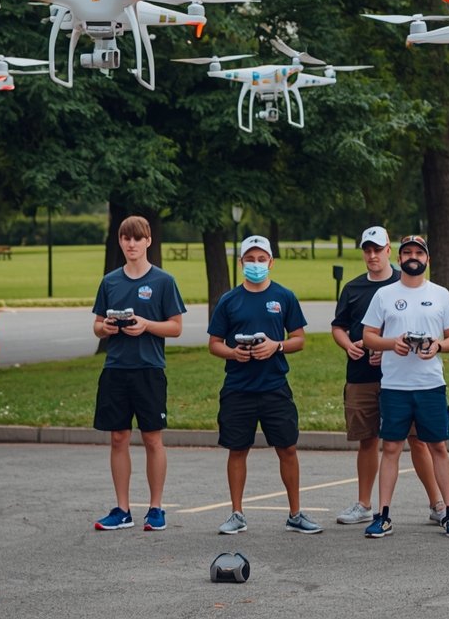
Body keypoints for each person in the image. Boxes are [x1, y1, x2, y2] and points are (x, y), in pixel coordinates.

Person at [207, 235, 322, 535]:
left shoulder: (284, 296)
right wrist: (233, 352)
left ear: (271, 262)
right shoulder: (229, 300)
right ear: (241, 262)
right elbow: (214, 343)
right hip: (238, 387)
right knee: (237, 450)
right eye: (250, 259)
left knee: (288, 449)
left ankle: (295, 514)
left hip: (274, 386)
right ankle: (236, 514)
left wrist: (276, 346)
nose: (255, 264)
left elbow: (299, 339)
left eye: (261, 259)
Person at [331, 226, 446, 526]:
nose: (372, 255)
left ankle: (437, 504)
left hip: (401, 377)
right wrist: (348, 345)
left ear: (388, 251)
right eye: (367, 250)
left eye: (377, 249)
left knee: (417, 440)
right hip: (362, 375)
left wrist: (387, 350)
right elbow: (339, 326)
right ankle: (364, 505)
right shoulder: (353, 288)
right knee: (367, 440)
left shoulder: (406, 281)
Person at [360, 235, 449, 538]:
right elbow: (368, 336)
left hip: (430, 384)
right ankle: (383, 516)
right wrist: (392, 343)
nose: (413, 257)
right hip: (395, 385)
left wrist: (439, 345)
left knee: (438, 447)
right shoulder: (384, 295)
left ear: (427, 259)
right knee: (392, 447)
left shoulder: (441, 294)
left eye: (419, 253)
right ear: (399, 258)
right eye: (407, 253)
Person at [91, 215, 186, 532]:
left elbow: (175, 327)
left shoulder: (163, 281)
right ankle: (122, 509)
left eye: (137, 238)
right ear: (119, 241)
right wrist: (105, 327)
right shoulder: (110, 282)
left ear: (148, 241)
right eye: (125, 238)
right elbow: (96, 325)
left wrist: (146, 325)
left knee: (152, 438)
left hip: (149, 369)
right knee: (118, 438)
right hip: (116, 369)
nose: (131, 244)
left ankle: (156, 509)